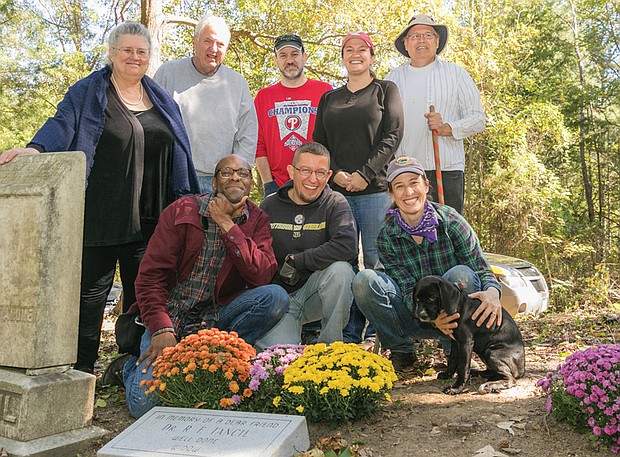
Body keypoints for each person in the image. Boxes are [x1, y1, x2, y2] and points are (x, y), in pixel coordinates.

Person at [0, 22, 200, 374]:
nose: (134, 57)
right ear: (112, 53)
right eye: (127, 50)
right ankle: (81, 372)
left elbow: (179, 150)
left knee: (144, 301)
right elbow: (62, 123)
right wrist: (35, 149)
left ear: (148, 57)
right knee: (89, 302)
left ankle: (130, 367)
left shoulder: (163, 100)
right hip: (99, 218)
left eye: (141, 51)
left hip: (151, 221)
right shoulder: (89, 92)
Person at [121, 154, 289, 418]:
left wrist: (227, 224)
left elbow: (262, 275)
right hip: (170, 316)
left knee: (275, 297)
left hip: (216, 318)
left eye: (243, 173)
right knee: (144, 406)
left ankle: (226, 361)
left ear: (251, 183)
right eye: (226, 172)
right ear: (213, 183)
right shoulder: (182, 211)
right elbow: (149, 277)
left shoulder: (258, 220)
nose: (235, 177)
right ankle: (129, 366)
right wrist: (161, 328)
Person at [351, 156, 502, 372]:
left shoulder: (451, 221)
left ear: (426, 185)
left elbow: (480, 268)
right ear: (391, 194)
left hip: (457, 317)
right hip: (416, 317)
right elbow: (405, 287)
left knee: (461, 274)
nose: (408, 192)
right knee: (364, 280)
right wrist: (433, 320)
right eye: (400, 187)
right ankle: (402, 351)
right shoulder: (387, 234)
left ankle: (457, 351)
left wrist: (493, 291)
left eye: (414, 183)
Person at [313, 32, 404, 343]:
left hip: (376, 191)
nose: (355, 54)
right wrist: (335, 174)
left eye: (361, 50)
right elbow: (319, 144)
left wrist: (365, 173)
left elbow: (392, 135)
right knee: (345, 262)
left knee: (379, 259)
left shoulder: (385, 90)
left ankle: (383, 333)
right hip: (337, 195)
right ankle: (350, 334)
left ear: (371, 56)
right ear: (342, 57)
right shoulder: (329, 98)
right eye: (348, 50)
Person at [255, 142, 358, 350]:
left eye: (320, 172)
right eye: (306, 171)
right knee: (275, 362)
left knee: (342, 271)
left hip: (316, 294)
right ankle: (285, 339)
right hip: (280, 300)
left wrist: (299, 261)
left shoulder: (335, 202)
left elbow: (347, 246)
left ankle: (330, 350)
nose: (313, 179)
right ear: (291, 172)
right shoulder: (270, 205)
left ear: (329, 176)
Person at [386, 14, 486, 214]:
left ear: (437, 41)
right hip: (407, 171)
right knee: (412, 234)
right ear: (405, 44)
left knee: (447, 233)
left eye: (428, 35)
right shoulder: (392, 78)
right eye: (414, 36)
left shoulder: (456, 74)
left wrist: (447, 128)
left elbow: (478, 119)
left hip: (447, 169)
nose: (421, 40)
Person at [154, 14, 258, 193]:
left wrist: (235, 176)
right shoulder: (168, 73)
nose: (214, 48)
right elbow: (152, 122)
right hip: (176, 178)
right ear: (195, 41)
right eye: (207, 41)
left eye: (220, 44)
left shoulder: (237, 83)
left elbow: (247, 133)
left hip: (221, 182)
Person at [254, 34, 332, 197]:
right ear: (276, 60)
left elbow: (334, 139)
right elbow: (258, 144)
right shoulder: (264, 97)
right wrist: (268, 182)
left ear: (304, 57)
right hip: (277, 185)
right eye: (283, 55)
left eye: (294, 54)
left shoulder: (324, 91)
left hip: (316, 183)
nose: (289, 60)